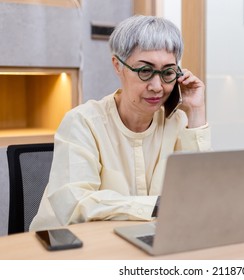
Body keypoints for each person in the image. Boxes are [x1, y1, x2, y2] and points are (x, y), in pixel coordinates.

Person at [30, 15, 211, 231]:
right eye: (145, 71)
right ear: (118, 65)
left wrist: (196, 110)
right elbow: (77, 205)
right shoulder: (82, 122)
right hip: (69, 244)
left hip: (142, 238)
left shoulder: (179, 121)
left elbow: (201, 194)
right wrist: (156, 206)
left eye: (168, 72)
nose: (157, 86)